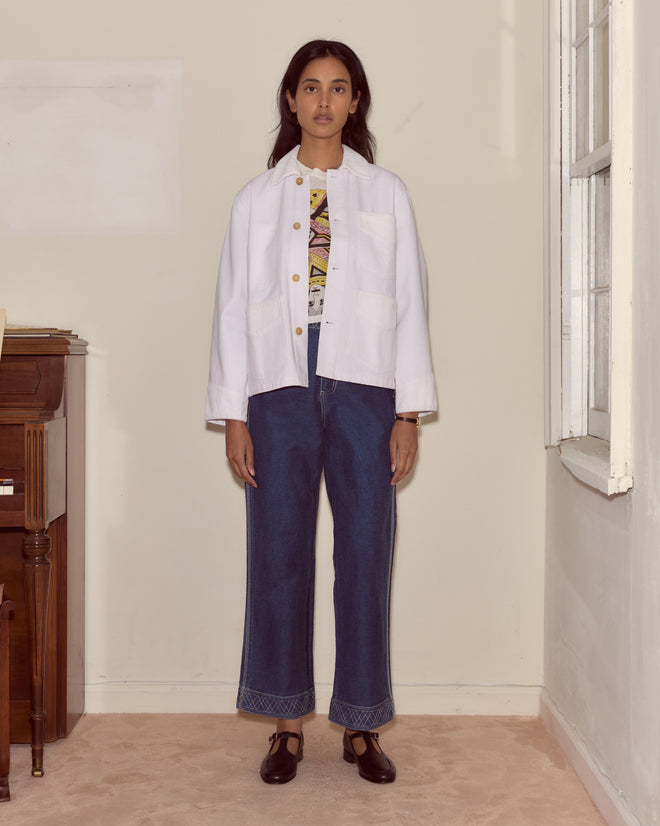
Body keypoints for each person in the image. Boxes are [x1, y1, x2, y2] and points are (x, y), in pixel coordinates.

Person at [206, 39, 437, 785]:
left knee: (366, 552)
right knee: (278, 554)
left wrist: (409, 413)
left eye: (339, 88)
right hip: (277, 389)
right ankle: (285, 722)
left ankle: (362, 725)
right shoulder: (256, 199)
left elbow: (409, 303)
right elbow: (232, 309)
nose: (325, 102)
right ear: (291, 100)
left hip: (367, 388)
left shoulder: (387, 193)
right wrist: (234, 413)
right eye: (311, 88)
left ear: (356, 102)